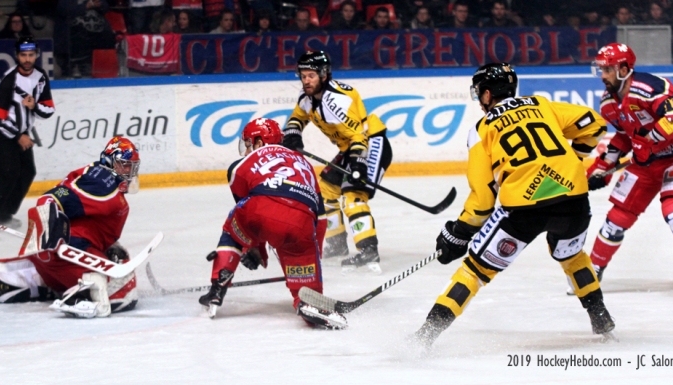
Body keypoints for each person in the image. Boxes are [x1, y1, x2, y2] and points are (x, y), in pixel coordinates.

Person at [411, 63, 615, 347]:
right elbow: (593, 123)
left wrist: (458, 232)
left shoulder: (482, 128)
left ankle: (424, 337)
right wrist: (575, 160)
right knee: (572, 255)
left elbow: (482, 202)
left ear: (485, 95)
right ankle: (600, 316)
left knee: (474, 270)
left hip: (523, 210)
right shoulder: (542, 105)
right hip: (574, 201)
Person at [581, 43, 673, 304]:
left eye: (607, 69)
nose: (602, 75)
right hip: (646, 163)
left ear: (624, 69)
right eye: (601, 69)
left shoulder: (652, 87)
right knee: (617, 217)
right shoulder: (608, 103)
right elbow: (624, 137)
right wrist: (602, 168)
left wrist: (649, 142)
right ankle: (593, 270)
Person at [199, 118, 347, 329]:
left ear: (259, 142)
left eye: (249, 143)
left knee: (233, 228)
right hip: (301, 223)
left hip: (260, 209)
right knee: (306, 286)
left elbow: (249, 209)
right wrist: (312, 260)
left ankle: (217, 288)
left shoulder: (239, 165)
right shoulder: (304, 163)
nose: (247, 149)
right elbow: (320, 220)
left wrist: (254, 248)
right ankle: (308, 302)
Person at [0, 136, 141, 318]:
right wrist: (51, 203)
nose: (129, 171)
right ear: (110, 161)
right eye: (125, 165)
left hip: (48, 256)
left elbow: (65, 193)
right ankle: (83, 296)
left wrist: (51, 204)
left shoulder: (94, 173)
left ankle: (4, 280)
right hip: (69, 253)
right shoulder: (105, 182)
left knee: (51, 276)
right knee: (124, 292)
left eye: (131, 165)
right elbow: (63, 195)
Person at [282, 51, 393, 273]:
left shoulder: (338, 101)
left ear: (324, 74)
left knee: (353, 194)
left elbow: (359, 136)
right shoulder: (307, 98)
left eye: (311, 75)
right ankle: (337, 243)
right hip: (349, 148)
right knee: (326, 191)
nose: (306, 81)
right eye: (303, 76)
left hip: (370, 144)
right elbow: (297, 117)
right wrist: (293, 135)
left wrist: (359, 166)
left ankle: (368, 249)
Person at [0, 36, 55, 240]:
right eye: (23, 55)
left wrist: (34, 106)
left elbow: (48, 109)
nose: (27, 59)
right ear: (17, 56)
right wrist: (18, 135)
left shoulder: (41, 76)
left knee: (27, 172)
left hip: (20, 133)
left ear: (36, 55)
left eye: (31, 55)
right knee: (7, 173)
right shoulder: (10, 80)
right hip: (1, 133)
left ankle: (3, 213)